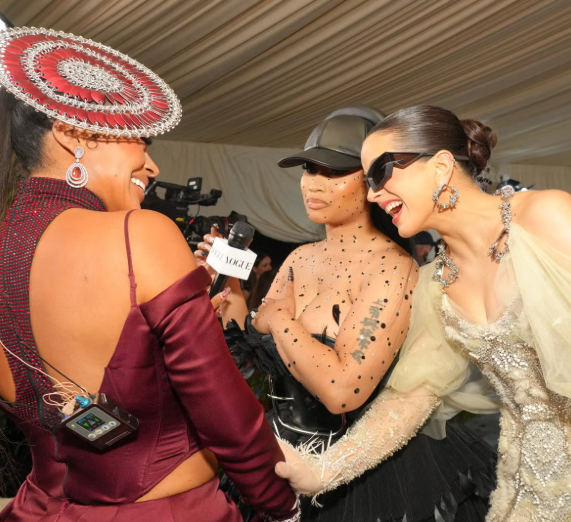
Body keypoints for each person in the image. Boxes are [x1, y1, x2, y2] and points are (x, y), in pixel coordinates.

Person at [0, 27, 299, 522]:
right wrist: (280, 503)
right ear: (74, 134)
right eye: (140, 140)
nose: (152, 165)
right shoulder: (139, 234)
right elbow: (225, 412)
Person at [198, 106, 496, 521]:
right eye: (309, 169)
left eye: (334, 171)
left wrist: (280, 319)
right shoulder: (300, 257)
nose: (313, 184)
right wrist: (224, 280)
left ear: (374, 181)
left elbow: (342, 391)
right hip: (276, 455)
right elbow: (251, 345)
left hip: (356, 478)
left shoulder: (392, 268)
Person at [276, 105, 571, 521]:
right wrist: (321, 472)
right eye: (368, 181)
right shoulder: (436, 283)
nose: (373, 194)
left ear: (441, 166)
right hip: (527, 491)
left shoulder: (546, 217)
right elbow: (411, 398)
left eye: (380, 172)